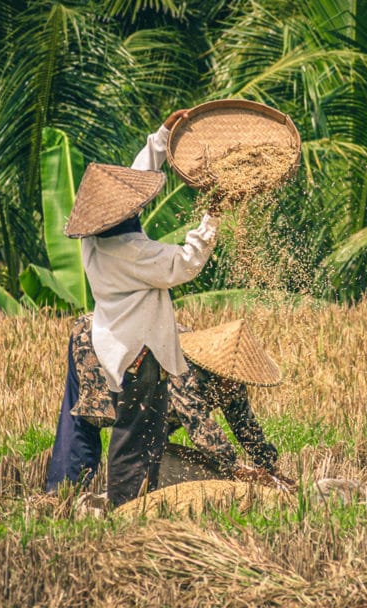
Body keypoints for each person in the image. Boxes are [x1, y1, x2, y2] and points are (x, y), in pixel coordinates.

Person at [62, 109, 220, 507]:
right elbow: (186, 263)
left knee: (140, 429)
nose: (135, 209)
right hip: (140, 352)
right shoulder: (131, 251)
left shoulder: (95, 240)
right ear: (120, 217)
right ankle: (126, 508)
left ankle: (139, 504)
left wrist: (161, 139)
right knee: (135, 435)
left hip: (118, 345)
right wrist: (213, 217)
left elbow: (132, 183)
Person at [45, 315, 294, 493]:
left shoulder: (233, 381)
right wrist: (237, 470)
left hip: (141, 350)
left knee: (154, 432)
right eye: (229, 382)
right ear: (217, 372)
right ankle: (63, 493)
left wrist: (269, 468)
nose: (234, 388)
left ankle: (138, 492)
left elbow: (245, 426)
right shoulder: (186, 367)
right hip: (99, 338)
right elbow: (201, 428)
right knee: (90, 418)